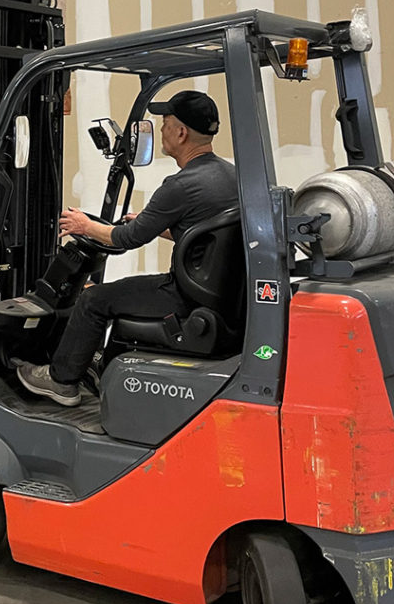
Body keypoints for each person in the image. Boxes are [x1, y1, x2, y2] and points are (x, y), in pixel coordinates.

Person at [15, 89, 239, 407]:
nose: (161, 129)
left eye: (165, 123)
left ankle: (61, 380)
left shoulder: (179, 186)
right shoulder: (229, 176)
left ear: (181, 132)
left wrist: (83, 226)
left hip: (184, 296)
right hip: (215, 294)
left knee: (93, 298)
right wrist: (150, 224)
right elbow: (204, 233)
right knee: (112, 293)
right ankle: (95, 364)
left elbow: (126, 239)